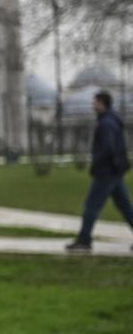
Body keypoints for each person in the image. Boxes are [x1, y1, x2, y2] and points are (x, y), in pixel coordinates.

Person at [66, 91, 133, 253]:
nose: (93, 105)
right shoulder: (111, 120)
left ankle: (84, 240)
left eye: (95, 102)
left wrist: (97, 162)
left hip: (106, 172)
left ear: (102, 103)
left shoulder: (106, 123)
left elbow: (108, 148)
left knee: (91, 205)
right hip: (114, 171)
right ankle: (84, 239)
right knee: (124, 206)